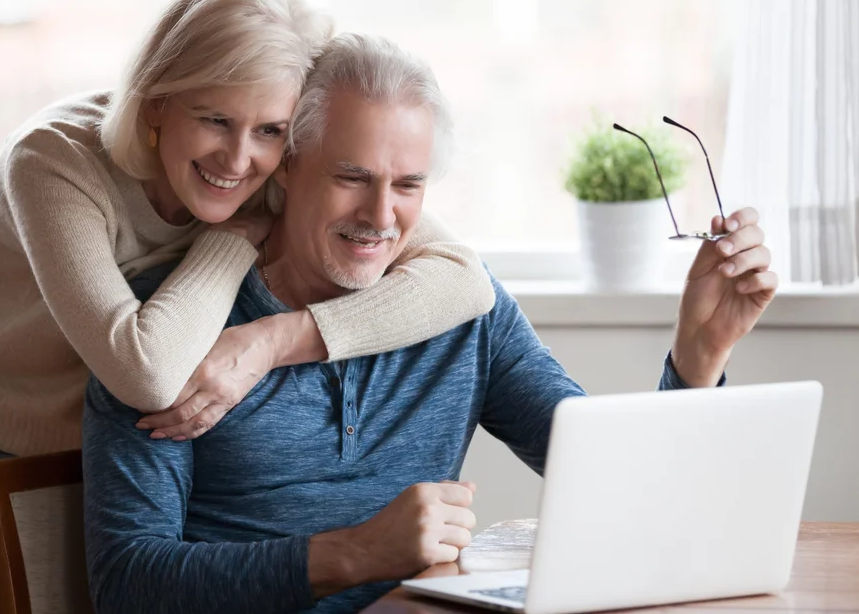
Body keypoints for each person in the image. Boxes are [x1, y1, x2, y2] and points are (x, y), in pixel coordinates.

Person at [82, 33, 777, 614]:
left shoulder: (462, 312)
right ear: (288, 165)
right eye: (352, 176)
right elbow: (128, 581)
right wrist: (353, 551)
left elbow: (619, 487)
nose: (382, 216)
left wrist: (698, 355)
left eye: (408, 184)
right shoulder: (172, 329)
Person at [0, 0, 497, 614]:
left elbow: (465, 279)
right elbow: (145, 374)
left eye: (271, 130)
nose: (239, 160)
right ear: (157, 102)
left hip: (127, 410)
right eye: (215, 119)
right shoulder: (51, 162)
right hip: (2, 405)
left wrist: (274, 339)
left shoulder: (273, 157)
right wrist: (232, 238)